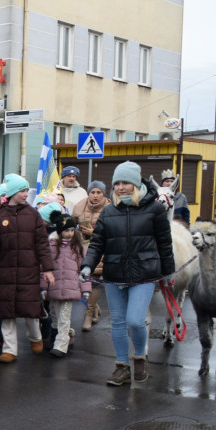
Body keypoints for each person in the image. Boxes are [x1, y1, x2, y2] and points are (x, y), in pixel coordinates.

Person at [80, 161, 175, 386]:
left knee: (135, 320)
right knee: (118, 323)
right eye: (117, 183)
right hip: (114, 274)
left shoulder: (155, 210)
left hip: (144, 274)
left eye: (126, 183)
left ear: (136, 184)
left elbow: (165, 244)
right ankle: (121, 367)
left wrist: (168, 272)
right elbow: (98, 243)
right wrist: (87, 266)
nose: (121, 187)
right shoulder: (109, 211)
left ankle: (140, 356)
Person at [0, 174, 55, 364]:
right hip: (5, 270)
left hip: (28, 269)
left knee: (31, 309)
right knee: (6, 312)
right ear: (14, 192)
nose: (26, 194)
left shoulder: (33, 214)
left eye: (26, 190)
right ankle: (9, 349)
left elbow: (42, 244)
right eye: (23, 191)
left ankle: (35, 337)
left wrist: (47, 269)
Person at [42, 211, 91, 358]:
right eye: (66, 230)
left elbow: (84, 268)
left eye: (71, 230)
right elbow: (43, 268)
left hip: (71, 288)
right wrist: (43, 287)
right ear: (59, 231)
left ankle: (60, 345)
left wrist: (86, 288)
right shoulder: (50, 246)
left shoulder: (78, 247)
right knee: (55, 316)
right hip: (54, 287)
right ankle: (68, 334)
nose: (69, 233)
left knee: (64, 316)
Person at [71, 180, 110, 330]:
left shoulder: (110, 208)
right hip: (82, 248)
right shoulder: (80, 206)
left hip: (101, 249)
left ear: (103, 193)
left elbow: (114, 231)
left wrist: (94, 233)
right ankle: (94, 306)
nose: (95, 195)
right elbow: (71, 223)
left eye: (98, 192)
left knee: (93, 282)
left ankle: (88, 316)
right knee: (80, 281)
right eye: (92, 192)